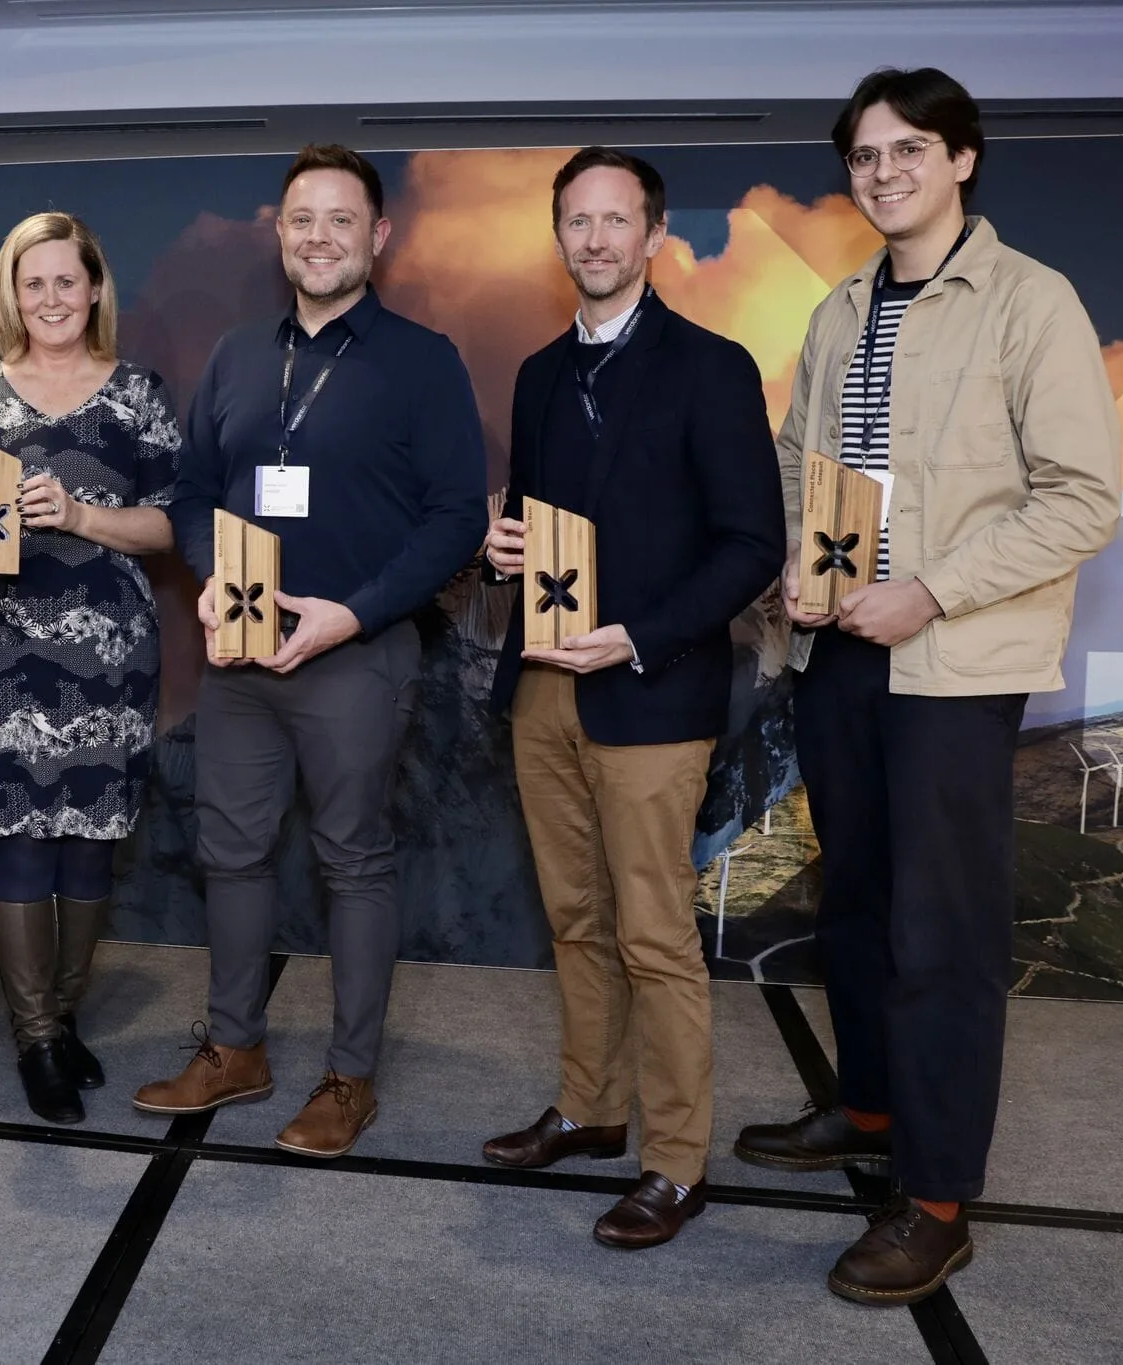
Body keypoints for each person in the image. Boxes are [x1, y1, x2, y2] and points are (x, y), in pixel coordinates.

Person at [738, 68, 1120, 1303]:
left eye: (909, 149)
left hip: (951, 662)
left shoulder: (1027, 300)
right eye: (863, 154)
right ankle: (865, 1109)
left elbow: (1078, 498)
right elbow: (805, 461)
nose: (883, 171)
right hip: (837, 646)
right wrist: (804, 566)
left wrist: (930, 591)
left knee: (937, 929)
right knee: (851, 900)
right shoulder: (841, 308)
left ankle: (938, 1193)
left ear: (961, 160)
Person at [132, 144, 486, 1158]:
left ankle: (348, 1077)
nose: (318, 237)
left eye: (341, 220)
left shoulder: (422, 361)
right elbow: (193, 491)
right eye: (301, 219)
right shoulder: (242, 355)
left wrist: (355, 613)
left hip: (352, 654)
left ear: (378, 236)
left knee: (352, 862)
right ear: (277, 234)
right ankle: (234, 1049)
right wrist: (210, 581)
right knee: (229, 852)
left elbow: (456, 516)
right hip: (238, 659)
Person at [477, 148, 784, 1248]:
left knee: (653, 935)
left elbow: (753, 542)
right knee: (573, 919)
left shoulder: (711, 367)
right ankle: (588, 1107)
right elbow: (538, 529)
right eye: (575, 221)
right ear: (556, 236)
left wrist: (640, 635)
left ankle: (675, 1161)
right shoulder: (535, 375)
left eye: (615, 221)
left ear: (653, 237)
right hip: (543, 687)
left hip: (652, 695)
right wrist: (497, 549)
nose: (594, 239)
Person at [0, 212, 179, 1125]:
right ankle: (35, 1037)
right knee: (20, 838)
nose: (50, 300)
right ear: (12, 294)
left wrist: (79, 515)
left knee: (89, 841)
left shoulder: (139, 395)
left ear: (94, 288)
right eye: (32, 284)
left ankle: (62, 1016)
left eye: (65, 282)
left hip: (108, 652)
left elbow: (168, 525)